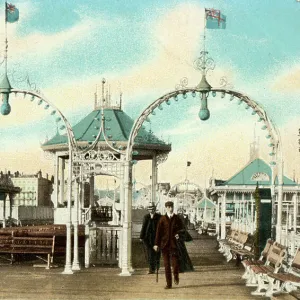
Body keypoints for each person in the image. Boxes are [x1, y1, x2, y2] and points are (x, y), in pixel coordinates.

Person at [153, 201, 185, 289]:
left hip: (174, 245)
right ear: (166, 208)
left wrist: (179, 234)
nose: (170, 209)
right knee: (167, 265)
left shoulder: (177, 218)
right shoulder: (162, 219)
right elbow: (158, 233)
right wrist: (156, 244)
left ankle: (176, 275)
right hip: (164, 245)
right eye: (169, 207)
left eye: (172, 207)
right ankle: (169, 284)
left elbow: (182, 229)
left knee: (175, 264)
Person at [140, 204, 161, 274]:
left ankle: (156, 266)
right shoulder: (146, 217)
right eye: (149, 208)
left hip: (157, 238)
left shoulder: (159, 217)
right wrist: (141, 236)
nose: (151, 210)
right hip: (147, 238)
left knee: (157, 253)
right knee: (149, 253)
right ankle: (151, 269)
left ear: (155, 209)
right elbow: (143, 227)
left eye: (152, 208)